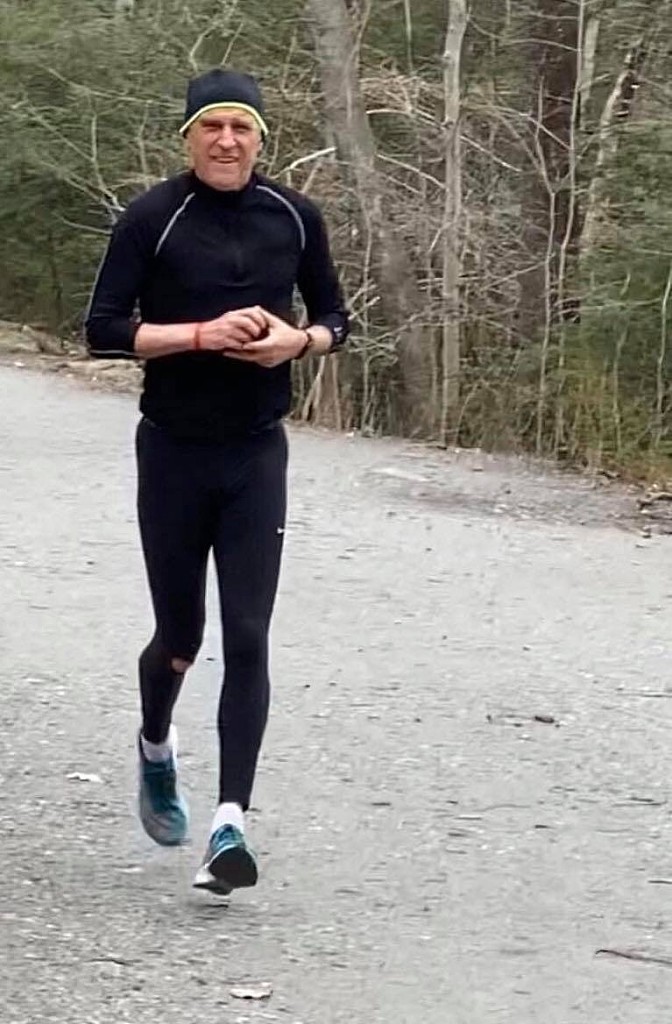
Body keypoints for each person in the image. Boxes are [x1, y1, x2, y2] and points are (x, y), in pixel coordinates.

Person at [85, 68, 349, 895]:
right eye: (212, 127)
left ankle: (230, 823)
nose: (227, 141)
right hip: (172, 450)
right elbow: (102, 330)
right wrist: (200, 335)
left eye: (241, 128)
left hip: (256, 452)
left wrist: (298, 343)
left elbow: (336, 319)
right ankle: (156, 745)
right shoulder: (153, 217)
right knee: (180, 638)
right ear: (189, 138)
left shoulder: (294, 217)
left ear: (261, 139)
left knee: (248, 634)